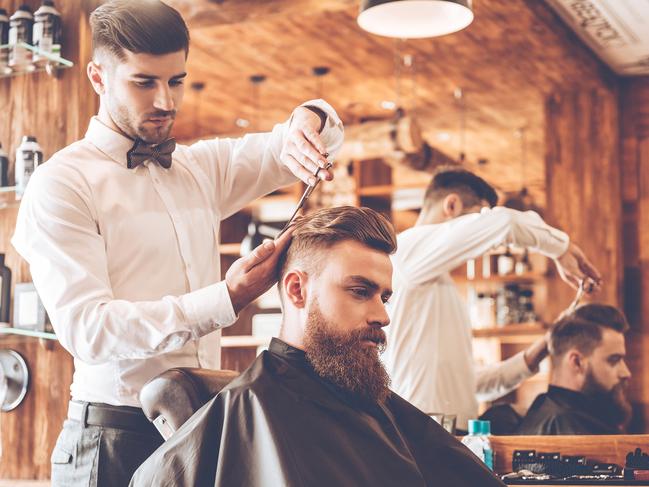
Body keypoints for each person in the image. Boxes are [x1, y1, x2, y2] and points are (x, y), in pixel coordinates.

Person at [11, 1, 344, 485]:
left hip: (198, 425)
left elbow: (308, 136)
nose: (166, 101)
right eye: (144, 82)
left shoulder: (200, 167)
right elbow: (88, 329)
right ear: (98, 77)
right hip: (112, 438)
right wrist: (225, 299)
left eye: (177, 80)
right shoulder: (60, 184)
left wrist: (308, 120)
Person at [131, 206, 505, 487]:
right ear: (297, 290)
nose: (382, 316)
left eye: (384, 298)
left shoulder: (367, 395)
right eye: (360, 292)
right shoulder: (250, 406)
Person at [383, 166, 602, 429]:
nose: (481, 235)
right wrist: (561, 248)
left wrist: (543, 346)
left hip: (449, 435)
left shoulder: (436, 284)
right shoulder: (407, 251)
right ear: (451, 205)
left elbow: (468, 384)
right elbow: (505, 224)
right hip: (419, 433)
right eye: (478, 218)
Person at [516, 303, 632, 435]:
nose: (626, 373)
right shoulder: (566, 426)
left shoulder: (551, 410)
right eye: (614, 360)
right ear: (577, 362)